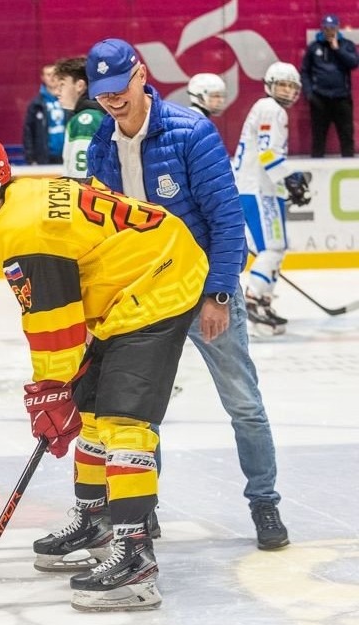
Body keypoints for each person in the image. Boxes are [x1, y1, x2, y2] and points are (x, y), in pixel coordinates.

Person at [0, 133, 207, 611]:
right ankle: (96, 520)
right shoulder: (26, 195)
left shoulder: (24, 229)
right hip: (133, 281)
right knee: (92, 410)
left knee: (124, 421)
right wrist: (61, 393)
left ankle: (135, 555)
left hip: (159, 283)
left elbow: (54, 327)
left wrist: (51, 390)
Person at [85, 38, 289, 551]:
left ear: (141, 75)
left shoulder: (190, 132)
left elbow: (227, 220)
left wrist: (218, 294)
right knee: (138, 412)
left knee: (242, 402)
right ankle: (141, 509)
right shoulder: (101, 145)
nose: (112, 100)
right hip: (144, 298)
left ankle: (264, 502)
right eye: (102, 92)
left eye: (119, 88)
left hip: (202, 292)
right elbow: (102, 233)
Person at [234, 62, 309, 335]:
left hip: (264, 188)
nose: (286, 91)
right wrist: (290, 180)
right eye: (282, 85)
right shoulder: (270, 108)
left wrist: (286, 184)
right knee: (271, 249)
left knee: (276, 247)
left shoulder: (270, 109)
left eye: (291, 86)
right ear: (269, 86)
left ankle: (263, 301)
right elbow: (268, 154)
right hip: (256, 188)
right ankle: (253, 299)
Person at [301, 14, 358, 158]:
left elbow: (353, 63)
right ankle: (316, 167)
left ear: (337, 28)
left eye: (332, 28)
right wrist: (309, 93)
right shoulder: (314, 47)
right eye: (326, 28)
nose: (329, 31)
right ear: (322, 29)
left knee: (346, 136)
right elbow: (305, 71)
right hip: (320, 99)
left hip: (342, 98)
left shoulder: (347, 45)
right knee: (318, 138)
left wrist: (337, 49)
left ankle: (349, 165)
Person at [52, 56, 105, 177]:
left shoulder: (85, 121)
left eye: (62, 85)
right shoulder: (97, 114)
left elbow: (80, 178)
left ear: (80, 85)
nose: (57, 92)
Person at [22, 63, 66, 165]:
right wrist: (30, 159)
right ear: (43, 78)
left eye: (55, 74)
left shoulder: (69, 100)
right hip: (45, 157)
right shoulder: (36, 104)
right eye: (49, 74)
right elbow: (28, 132)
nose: (52, 78)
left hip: (66, 155)